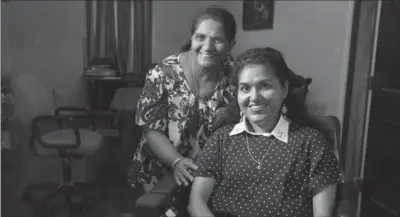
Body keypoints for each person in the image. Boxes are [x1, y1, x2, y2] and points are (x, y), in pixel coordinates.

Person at [188, 47, 341, 217]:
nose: (254, 97)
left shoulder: (311, 142)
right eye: (245, 88)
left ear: (284, 89)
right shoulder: (220, 139)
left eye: (265, 86)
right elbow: (196, 203)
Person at [124, 6, 239, 217]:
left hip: (208, 177)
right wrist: (176, 161)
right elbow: (151, 130)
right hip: (160, 173)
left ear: (231, 44)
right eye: (201, 37)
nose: (207, 46)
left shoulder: (235, 78)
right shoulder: (163, 73)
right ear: (191, 38)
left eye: (218, 40)